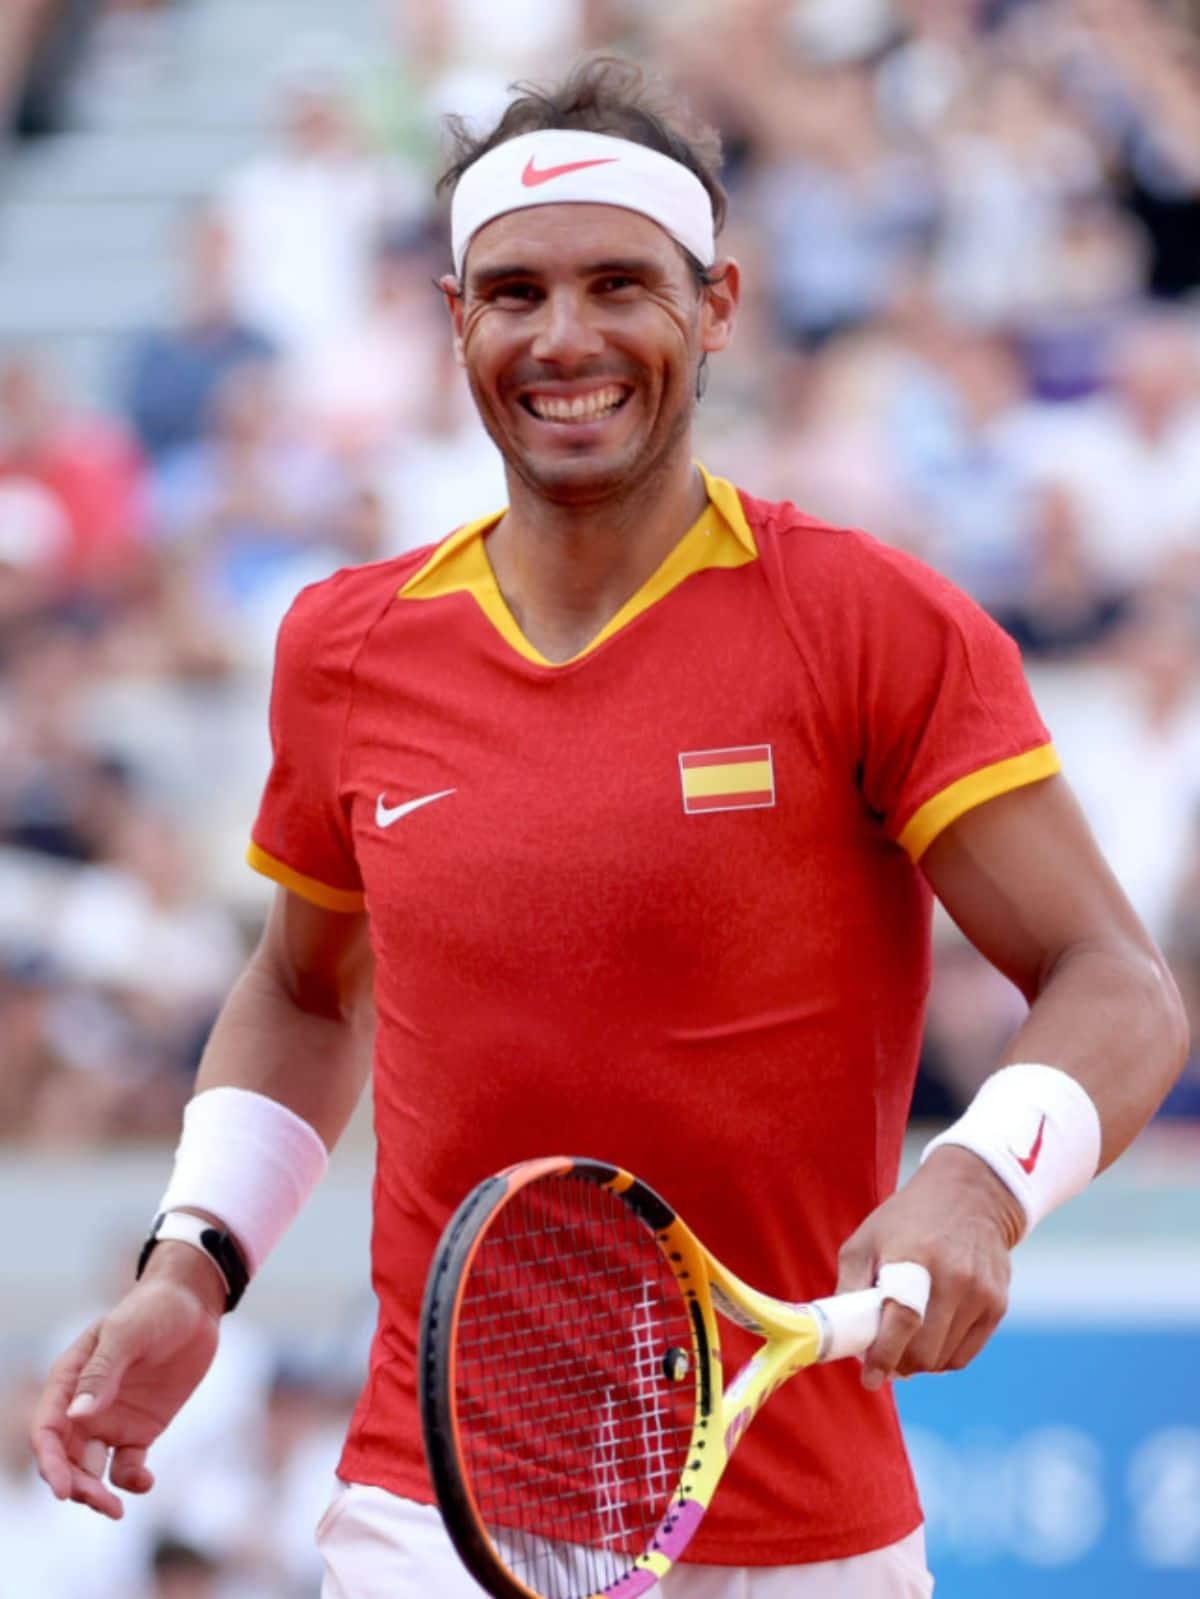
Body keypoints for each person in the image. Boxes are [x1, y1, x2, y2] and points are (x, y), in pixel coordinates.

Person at [30, 57, 1187, 1599]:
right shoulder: (346, 646)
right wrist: (193, 1264)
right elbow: (306, 990)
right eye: (514, 293)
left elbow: (1118, 982)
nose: (564, 339)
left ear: (717, 307)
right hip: (435, 1522)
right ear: (455, 321)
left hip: (814, 1538)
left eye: (619, 285)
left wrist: (980, 1179)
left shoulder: (872, 623)